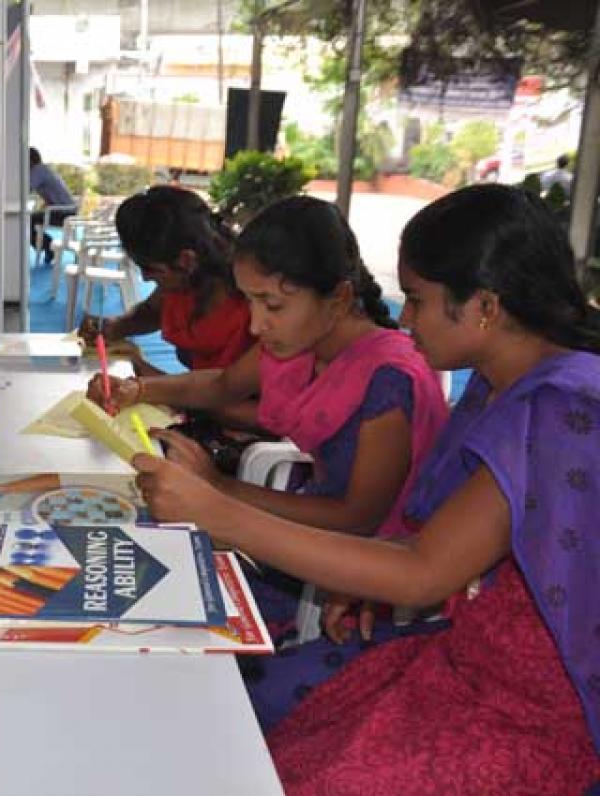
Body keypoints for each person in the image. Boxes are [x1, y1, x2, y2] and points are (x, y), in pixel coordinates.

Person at [132, 185, 600, 794]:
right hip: (473, 655)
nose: (405, 318)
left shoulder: (561, 408)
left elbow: (422, 568)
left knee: (285, 766)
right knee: (266, 745)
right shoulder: (504, 386)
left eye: (420, 300)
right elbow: (440, 546)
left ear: (483, 307)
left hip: (539, 709)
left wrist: (221, 510)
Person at [91, 195, 447, 550]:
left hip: (357, 563)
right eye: (249, 301)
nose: (256, 325)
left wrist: (217, 486)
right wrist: (137, 390)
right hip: (305, 523)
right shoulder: (301, 341)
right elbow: (222, 383)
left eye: (272, 305)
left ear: (338, 299)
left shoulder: (388, 382)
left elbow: (357, 518)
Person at [77, 186, 253, 378]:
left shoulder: (248, 305)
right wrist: (114, 327)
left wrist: (142, 377)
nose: (145, 277)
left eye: (152, 269)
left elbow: (223, 392)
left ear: (186, 260)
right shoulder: (185, 280)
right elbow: (153, 312)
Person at [29, 147, 78, 265]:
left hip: (64, 213)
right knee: (30, 219)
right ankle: (48, 247)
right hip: (67, 210)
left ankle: (49, 246)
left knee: (27, 220)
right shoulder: (43, 169)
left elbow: (26, 188)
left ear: (29, 160)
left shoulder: (38, 170)